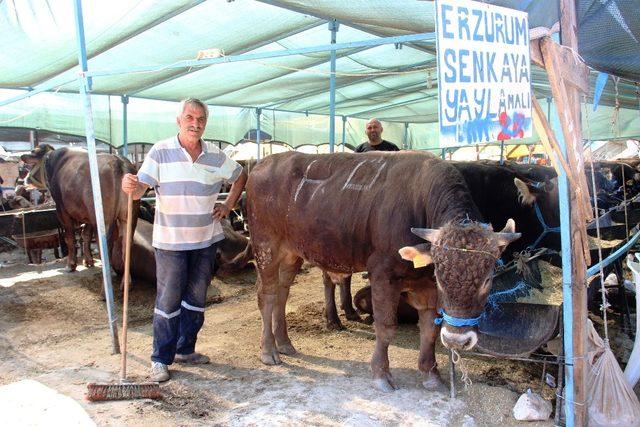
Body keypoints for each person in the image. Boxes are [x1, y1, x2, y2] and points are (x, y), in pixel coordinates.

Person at [121, 98, 247, 382]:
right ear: (179, 121)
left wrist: (228, 205)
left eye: (201, 119)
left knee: (196, 300)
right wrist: (131, 185)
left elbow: (241, 176)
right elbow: (140, 189)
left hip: (205, 240)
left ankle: (185, 349)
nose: (196, 123)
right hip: (170, 243)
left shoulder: (216, 155)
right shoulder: (161, 151)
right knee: (168, 300)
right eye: (190, 117)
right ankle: (160, 359)